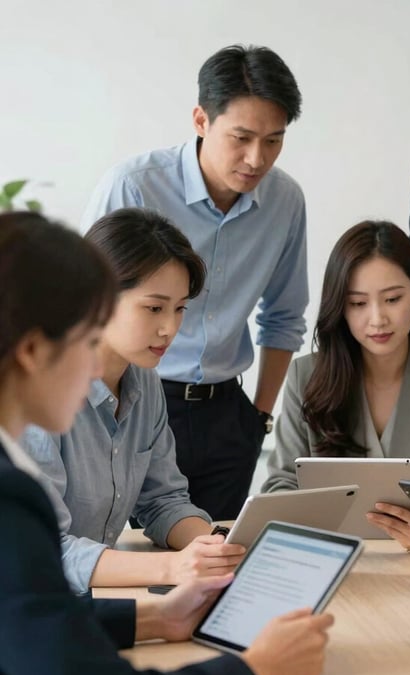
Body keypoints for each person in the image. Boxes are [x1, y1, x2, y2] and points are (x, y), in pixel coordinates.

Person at [0, 212, 333, 675]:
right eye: (87, 338)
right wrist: (256, 670)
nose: (93, 368)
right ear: (34, 351)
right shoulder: (10, 499)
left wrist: (159, 618)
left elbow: (25, 622)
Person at [82, 44, 309, 520]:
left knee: (209, 561)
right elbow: (88, 303)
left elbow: (284, 317)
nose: (256, 158)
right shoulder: (135, 186)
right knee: (113, 555)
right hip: (138, 399)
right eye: (241, 137)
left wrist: (259, 418)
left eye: (274, 140)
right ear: (201, 120)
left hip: (229, 416)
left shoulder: (286, 200)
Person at [21, 209, 246, 594]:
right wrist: (171, 567)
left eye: (179, 309)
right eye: (154, 308)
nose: (170, 328)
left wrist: (212, 546)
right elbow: (42, 550)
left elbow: (163, 500)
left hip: (89, 603)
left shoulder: (144, 380)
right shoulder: (38, 394)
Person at [263, 220, 410, 551]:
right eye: (358, 303)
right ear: (340, 306)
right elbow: (280, 484)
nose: (378, 319)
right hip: (324, 553)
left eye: (392, 299)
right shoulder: (304, 375)